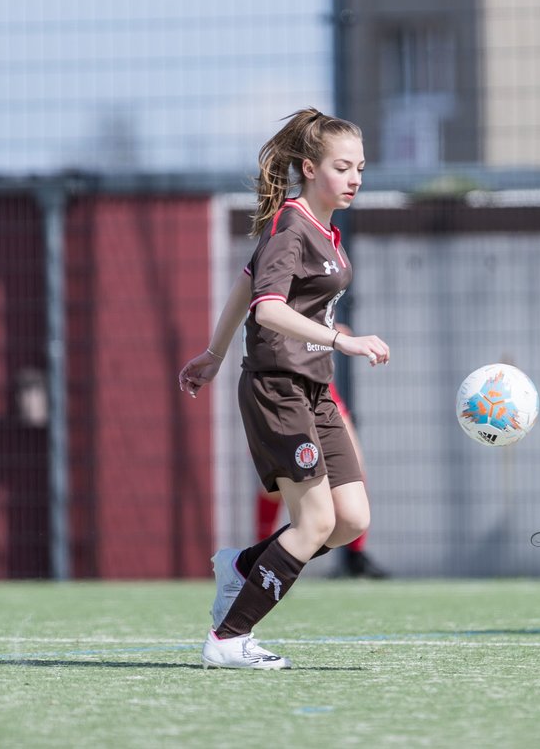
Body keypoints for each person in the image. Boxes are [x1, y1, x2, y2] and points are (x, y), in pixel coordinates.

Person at [178, 107, 391, 669]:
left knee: (351, 520)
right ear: (309, 167)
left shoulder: (320, 230)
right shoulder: (291, 224)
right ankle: (227, 639)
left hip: (313, 391)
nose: (355, 179)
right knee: (315, 521)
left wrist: (213, 353)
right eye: (342, 167)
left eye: (361, 168)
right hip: (278, 390)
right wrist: (340, 340)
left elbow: (244, 285)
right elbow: (266, 308)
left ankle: (245, 566)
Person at [253, 372, 389, 580]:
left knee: (354, 466)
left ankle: (355, 556)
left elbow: (338, 337)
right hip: (282, 382)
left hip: (319, 380)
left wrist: (342, 340)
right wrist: (214, 355)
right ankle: (258, 561)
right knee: (279, 482)